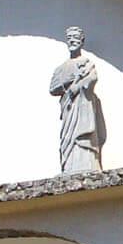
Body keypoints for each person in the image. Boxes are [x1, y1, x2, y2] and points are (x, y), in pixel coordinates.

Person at [48, 26, 104, 174]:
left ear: (82, 41)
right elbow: (53, 88)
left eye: (76, 37)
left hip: (84, 105)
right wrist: (68, 81)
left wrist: (78, 85)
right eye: (70, 38)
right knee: (68, 138)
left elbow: (93, 78)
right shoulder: (61, 68)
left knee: (83, 134)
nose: (72, 40)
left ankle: (87, 163)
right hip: (68, 108)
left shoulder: (87, 63)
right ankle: (69, 164)